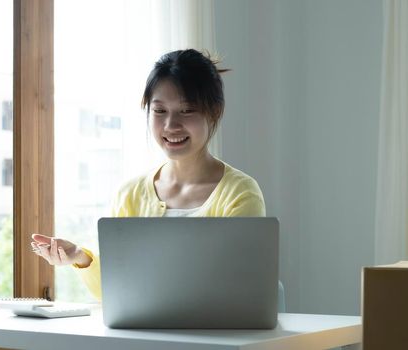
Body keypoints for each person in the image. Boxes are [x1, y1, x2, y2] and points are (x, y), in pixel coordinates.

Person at [32, 49, 265, 300]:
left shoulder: (240, 193)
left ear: (214, 112)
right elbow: (117, 290)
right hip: (142, 337)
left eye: (187, 111)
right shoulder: (129, 194)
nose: (170, 125)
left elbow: (239, 288)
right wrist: (79, 255)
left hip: (215, 336)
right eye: (159, 111)